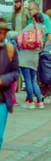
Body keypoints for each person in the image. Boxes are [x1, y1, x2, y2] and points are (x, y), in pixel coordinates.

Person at [18, 13, 46, 109]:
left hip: (25, 56)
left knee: (27, 81)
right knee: (33, 80)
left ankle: (30, 101)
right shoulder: (42, 29)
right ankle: (39, 101)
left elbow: (20, 35)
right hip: (34, 57)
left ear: (34, 19)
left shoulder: (31, 26)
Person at [0, 18, 19, 149]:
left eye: (4, 33)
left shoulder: (10, 50)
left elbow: (16, 72)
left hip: (2, 98)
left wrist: (3, 79)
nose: (1, 35)